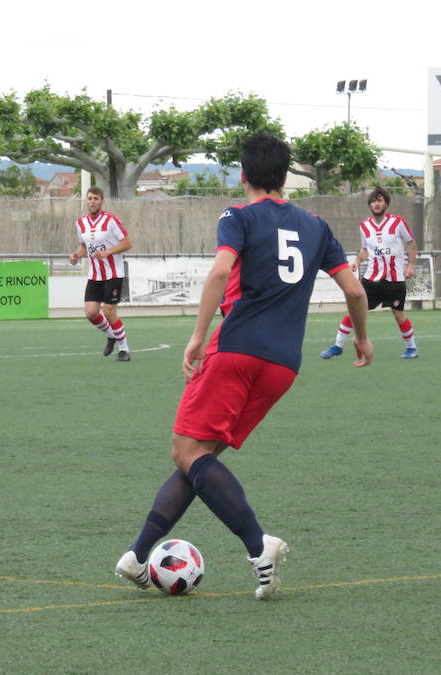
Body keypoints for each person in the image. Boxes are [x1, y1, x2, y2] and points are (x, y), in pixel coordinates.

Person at [114, 133, 373, 599]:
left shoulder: (238, 216)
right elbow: (355, 291)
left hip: (235, 350)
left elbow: (218, 271)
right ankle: (137, 557)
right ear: (284, 175)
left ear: (244, 174)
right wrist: (362, 337)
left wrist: (196, 337)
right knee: (201, 458)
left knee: (187, 453)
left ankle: (260, 546)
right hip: (283, 365)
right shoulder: (317, 226)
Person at [320, 186, 419, 360]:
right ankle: (337, 345)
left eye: (379, 200)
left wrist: (411, 265)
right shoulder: (364, 226)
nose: (376, 204)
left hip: (394, 279)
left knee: (398, 313)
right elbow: (365, 249)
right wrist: (357, 262)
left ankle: (411, 348)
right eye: (373, 201)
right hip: (371, 279)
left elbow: (411, 243)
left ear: (386, 203)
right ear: (370, 205)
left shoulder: (398, 222)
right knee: (354, 309)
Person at [69, 186, 133, 361]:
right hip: (95, 275)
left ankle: (124, 350)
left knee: (109, 310)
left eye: (96, 199)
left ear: (102, 201)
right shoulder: (81, 223)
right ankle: (112, 334)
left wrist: (108, 252)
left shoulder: (111, 221)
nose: (92, 202)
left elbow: (127, 243)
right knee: (91, 313)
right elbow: (84, 246)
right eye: (89, 198)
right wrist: (76, 256)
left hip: (113, 273)